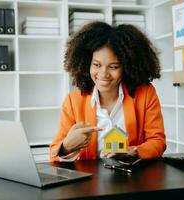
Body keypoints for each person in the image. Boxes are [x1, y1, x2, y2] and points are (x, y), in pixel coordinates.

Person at [50, 21, 166, 162]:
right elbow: (54, 155)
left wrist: (134, 152)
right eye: (97, 65)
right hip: (90, 182)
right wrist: (67, 146)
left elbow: (158, 142)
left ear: (127, 66)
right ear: (87, 64)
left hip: (132, 179)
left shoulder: (146, 94)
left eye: (113, 67)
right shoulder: (73, 101)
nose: (103, 74)